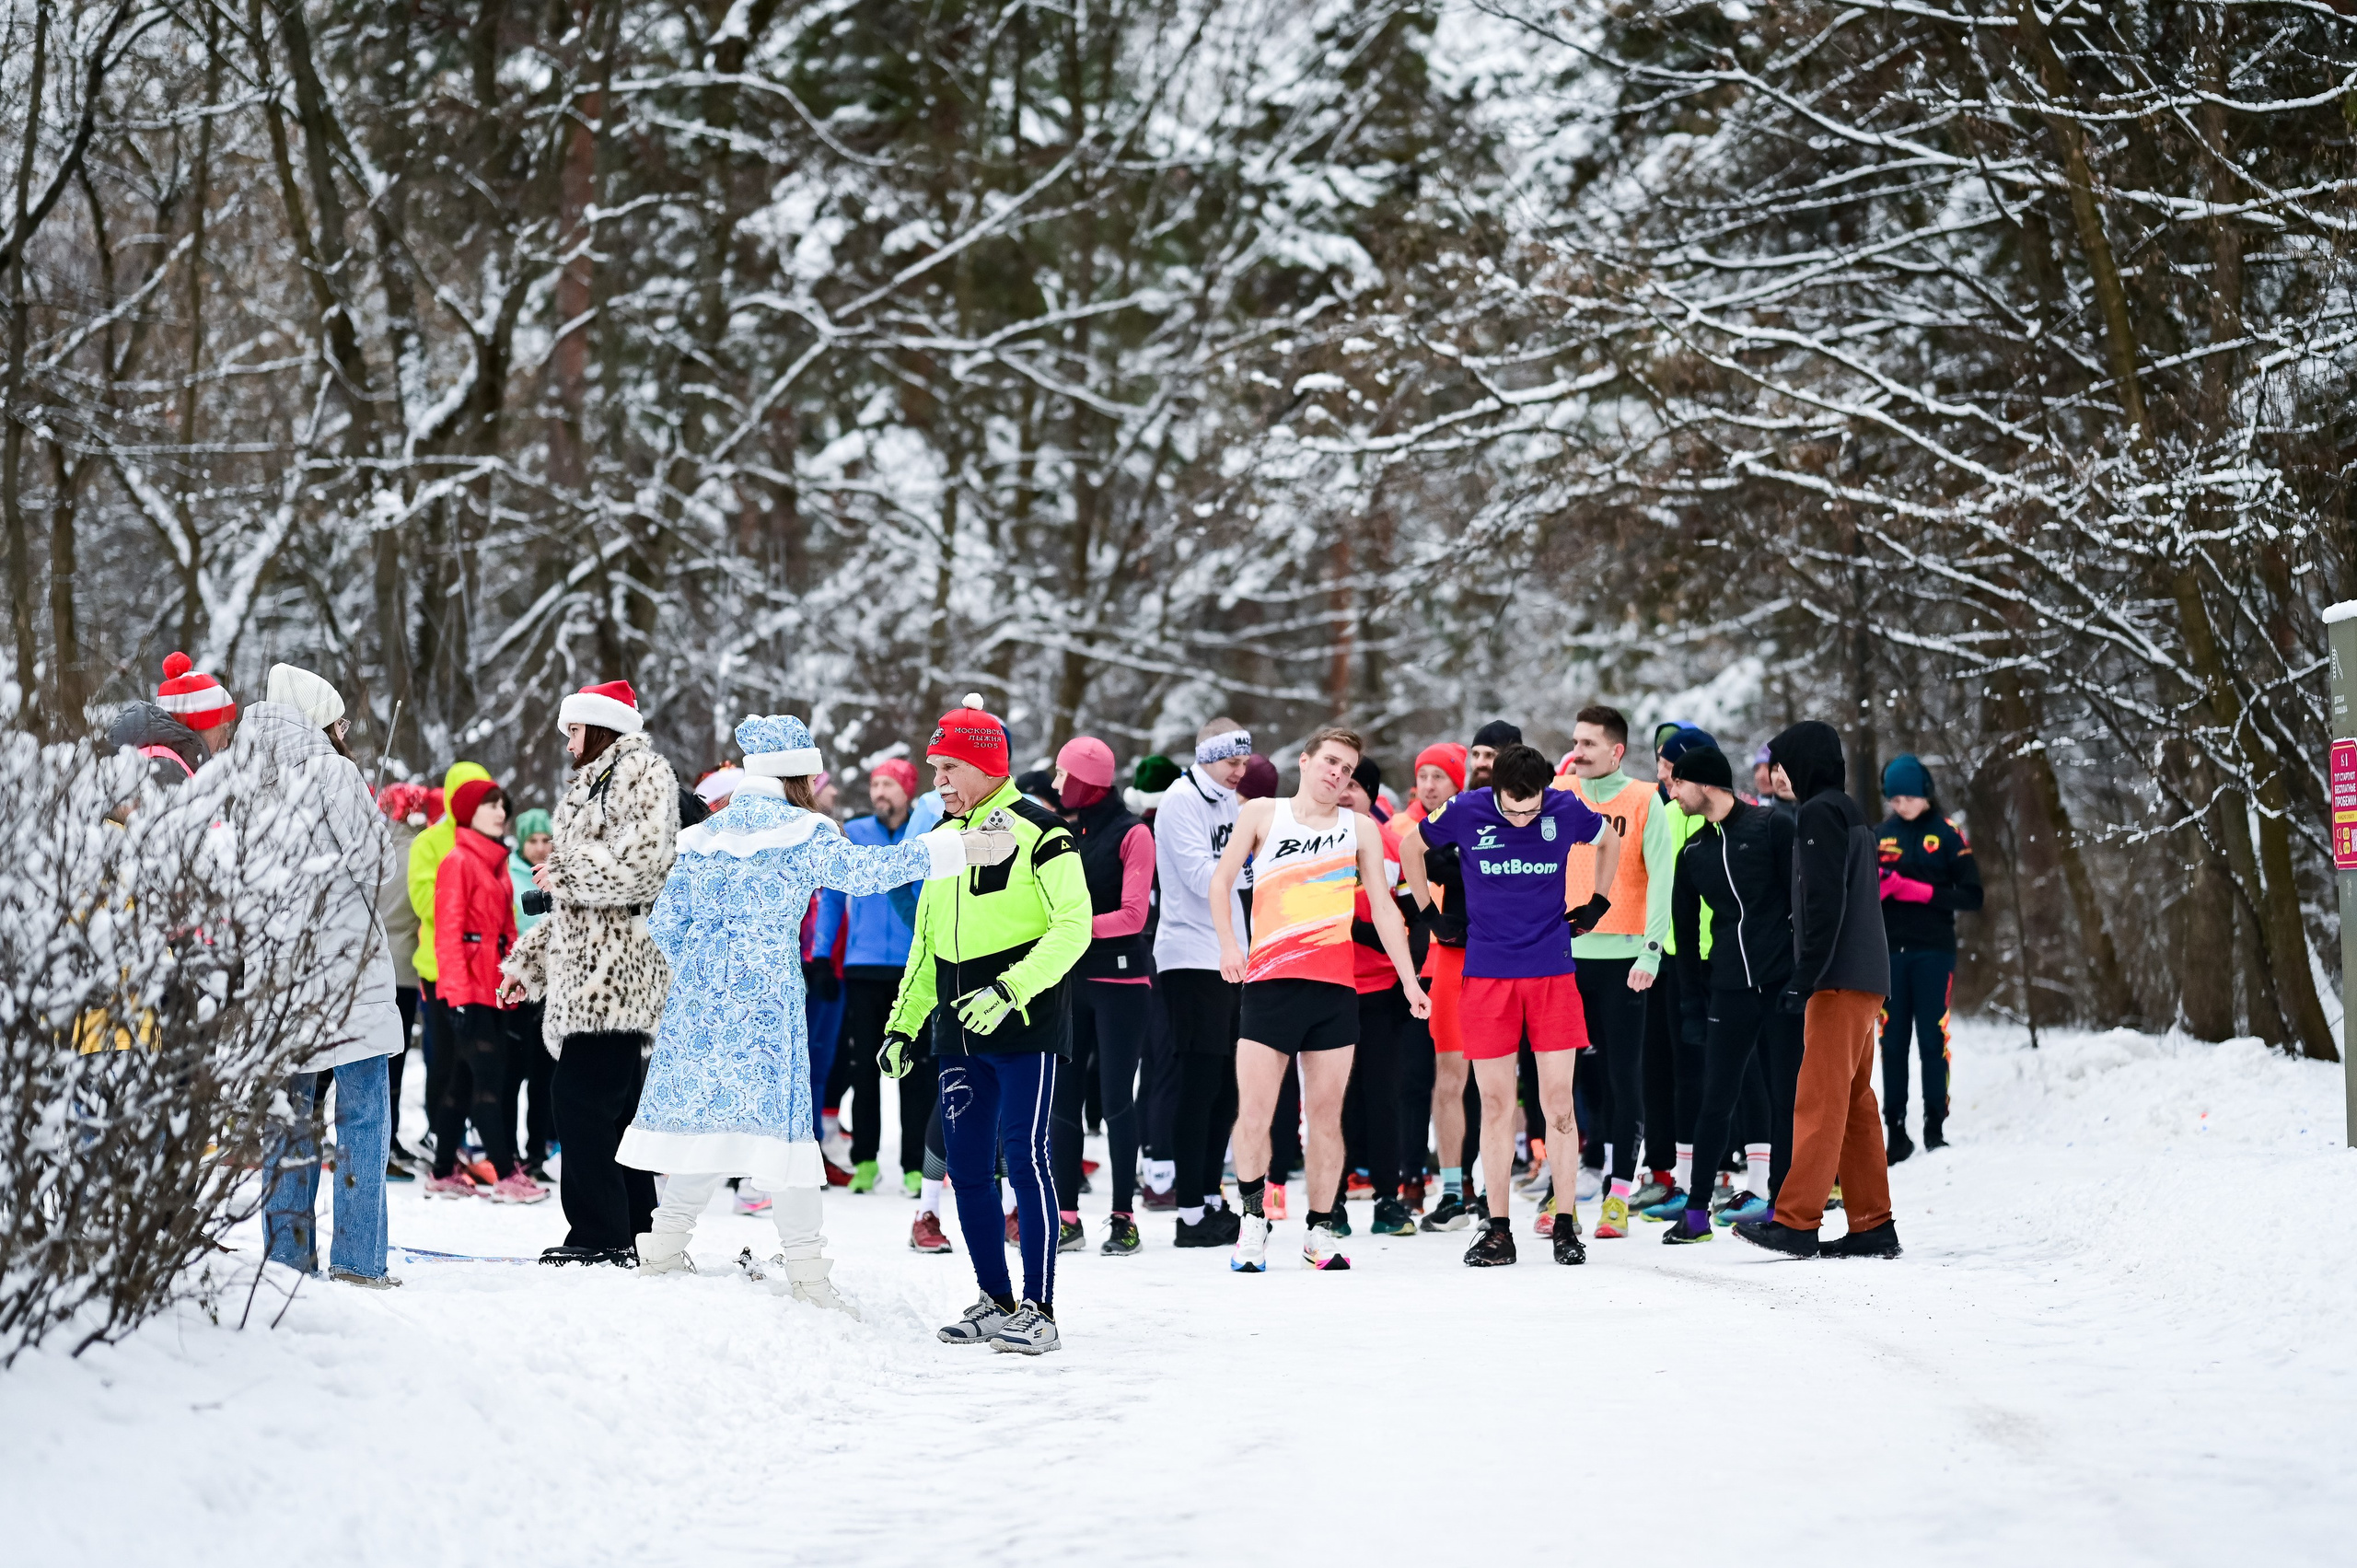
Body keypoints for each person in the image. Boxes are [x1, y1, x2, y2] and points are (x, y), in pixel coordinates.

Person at [622, 714, 1010, 1311]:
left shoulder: (706, 835)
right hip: (767, 1004)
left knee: (702, 1129)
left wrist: (708, 966)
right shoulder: (803, 831)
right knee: (784, 1139)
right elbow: (869, 874)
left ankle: (663, 1250)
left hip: (698, 1000)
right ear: (799, 773)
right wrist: (958, 846)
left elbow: (665, 923)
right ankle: (808, 1273)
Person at [883, 696, 1092, 1354]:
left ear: (983, 765)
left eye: (948, 767)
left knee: (1026, 1159)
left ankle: (1041, 1308)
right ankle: (995, 1299)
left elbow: (1073, 926)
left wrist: (1010, 988)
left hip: (1024, 1020)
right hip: (955, 1027)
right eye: (934, 768)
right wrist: (903, 1025)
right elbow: (924, 945)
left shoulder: (1043, 832)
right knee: (967, 1168)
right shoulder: (943, 841)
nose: (938, 780)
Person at [1210, 726, 1429, 1273]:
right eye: (1330, 762)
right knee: (1256, 1113)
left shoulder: (1360, 828)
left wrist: (1409, 980)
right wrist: (1230, 946)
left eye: (1348, 769)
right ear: (1305, 762)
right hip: (1269, 984)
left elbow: (1383, 907)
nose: (1338, 774)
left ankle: (1320, 1230)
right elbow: (1221, 882)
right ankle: (1254, 1221)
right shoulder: (1262, 813)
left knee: (1327, 1120)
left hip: (1335, 989)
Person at [1400, 744, 1620, 1266]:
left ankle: (1565, 1224)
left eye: (1532, 807)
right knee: (1495, 1106)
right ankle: (1498, 1229)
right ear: (1494, 789)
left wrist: (1598, 902)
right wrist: (1431, 914)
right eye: (1513, 808)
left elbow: (1607, 840)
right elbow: (1412, 848)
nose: (1524, 816)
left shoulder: (1563, 808)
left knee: (1559, 1103)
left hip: (1552, 973)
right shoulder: (1466, 809)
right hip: (1488, 975)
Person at [499, 679, 679, 1265]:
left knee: (580, 1102)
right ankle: (633, 1227)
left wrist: (568, 868)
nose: (568, 741)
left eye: (573, 729)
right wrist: (528, 965)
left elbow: (645, 866)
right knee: (610, 1108)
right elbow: (576, 902)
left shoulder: (644, 773)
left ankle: (601, 1232)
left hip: (619, 977)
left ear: (601, 726)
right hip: (590, 975)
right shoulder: (594, 783)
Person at [237, 671, 403, 1288]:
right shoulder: (333, 773)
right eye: (341, 723)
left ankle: (287, 1258)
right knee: (362, 1118)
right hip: (345, 973)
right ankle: (359, 1261)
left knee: (289, 1120)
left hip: (280, 981)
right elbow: (375, 864)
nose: (346, 734)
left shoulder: (245, 777)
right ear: (321, 719)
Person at [1736, 722, 1898, 1260]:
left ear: (1806, 762)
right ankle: (1873, 1223)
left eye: (1784, 763)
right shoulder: (1846, 809)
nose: (1778, 774)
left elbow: (1824, 902)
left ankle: (1796, 1221)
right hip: (1863, 975)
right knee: (1853, 1103)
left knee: (1818, 1101)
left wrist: (1805, 975)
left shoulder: (1819, 813)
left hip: (1838, 977)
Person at [1661, 745, 1794, 1243]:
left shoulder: (1771, 828)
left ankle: (1782, 1207)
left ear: (1706, 784)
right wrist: (1692, 1007)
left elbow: (1800, 908)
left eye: (1678, 783)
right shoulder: (1691, 854)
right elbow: (1687, 938)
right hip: (1729, 992)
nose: (1672, 792)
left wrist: (1801, 981)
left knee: (1786, 1098)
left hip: (1782, 988)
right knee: (1716, 1099)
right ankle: (1696, 1214)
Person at [1556, 705, 1675, 1240]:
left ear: (1616, 751)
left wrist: (1651, 952)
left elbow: (1662, 881)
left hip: (1626, 961)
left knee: (1624, 1076)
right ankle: (1566, 1193)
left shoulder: (1647, 799)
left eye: (1587, 744)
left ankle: (1619, 1194)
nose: (1576, 752)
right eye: (1575, 742)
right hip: (1565, 959)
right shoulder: (1559, 795)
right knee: (1570, 1080)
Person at [815, 756, 944, 1212]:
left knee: (918, 1070)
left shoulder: (928, 832)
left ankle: (915, 1163)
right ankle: (864, 1158)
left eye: (889, 784)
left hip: (915, 968)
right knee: (864, 1068)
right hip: (862, 967)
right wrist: (820, 956)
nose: (879, 793)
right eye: (875, 785)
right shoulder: (854, 832)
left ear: (909, 791)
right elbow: (831, 898)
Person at [1046, 735, 1157, 1256]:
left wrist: (1070, 928)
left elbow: (1135, 915)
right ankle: (1067, 1216)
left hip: (1122, 985)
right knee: (1063, 1099)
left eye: (1064, 776)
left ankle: (1123, 1216)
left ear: (1088, 783)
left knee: (1115, 1096)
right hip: (1071, 982)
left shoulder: (1133, 833)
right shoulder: (1063, 830)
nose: (1055, 784)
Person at [1153, 720, 1252, 1249]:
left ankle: (1211, 1196)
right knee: (1198, 1083)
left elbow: (1230, 871)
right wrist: (1259, 870)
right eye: (1231, 761)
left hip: (1231, 953)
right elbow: (1200, 877)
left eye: (1243, 761)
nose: (1240, 771)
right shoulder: (1180, 801)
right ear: (1206, 756)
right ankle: (1189, 1212)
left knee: (1226, 1088)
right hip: (1190, 956)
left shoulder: (1232, 804)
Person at [426, 778, 548, 1202]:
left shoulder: (495, 862)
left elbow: (509, 930)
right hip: (468, 991)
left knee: (461, 1082)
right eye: (490, 806)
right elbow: (448, 932)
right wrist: (457, 995)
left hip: (491, 987)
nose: (501, 813)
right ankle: (505, 1174)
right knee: (489, 1081)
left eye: (503, 806)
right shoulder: (459, 861)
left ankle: (442, 1171)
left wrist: (515, 977)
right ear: (467, 813)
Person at [1875, 753, 1981, 1161]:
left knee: (1932, 1038)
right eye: (1893, 797)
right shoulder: (1879, 833)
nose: (1900, 804)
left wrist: (1921, 892)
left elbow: (1973, 896)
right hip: (1889, 953)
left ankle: (1935, 1124)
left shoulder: (1949, 835)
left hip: (1934, 951)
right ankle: (1896, 1130)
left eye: (1908, 797)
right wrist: (1876, 889)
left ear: (1924, 794)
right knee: (1893, 1041)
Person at [1632, 724, 1717, 1219]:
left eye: (1672, 765)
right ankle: (1665, 1170)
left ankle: (1715, 1167)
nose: (1663, 773)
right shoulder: (1661, 814)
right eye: (1661, 764)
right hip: (1664, 956)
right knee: (1659, 1066)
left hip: (1714, 956)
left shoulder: (1719, 817)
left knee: (1711, 1067)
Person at [1340, 755, 1417, 1236]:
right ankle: (1331, 1205)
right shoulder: (1313, 844)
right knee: (1335, 1101)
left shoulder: (1390, 845)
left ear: (1371, 794)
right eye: (1339, 782)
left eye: (1356, 784)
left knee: (1384, 1097)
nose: (1345, 791)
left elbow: (1411, 913)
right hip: (1328, 987)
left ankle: (1389, 1199)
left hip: (1383, 987)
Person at [409, 756, 493, 1180]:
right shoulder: (429, 843)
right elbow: (426, 903)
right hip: (438, 969)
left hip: (484, 974)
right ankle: (440, 1142)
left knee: (478, 1064)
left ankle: (469, 1145)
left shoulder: (493, 842)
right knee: (443, 1062)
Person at [1399, 742, 1469, 1226]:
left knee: (1500, 1083)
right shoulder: (1411, 829)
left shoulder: (1480, 817)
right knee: (1443, 1078)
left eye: (1438, 776)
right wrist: (1430, 917)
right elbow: (1414, 862)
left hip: (1502, 960)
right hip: (1442, 961)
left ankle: (1484, 1187)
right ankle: (1450, 1191)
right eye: (1422, 775)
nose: (1428, 785)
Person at [375, 782, 433, 1176]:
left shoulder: (374, 849)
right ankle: (388, 1140)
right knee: (393, 1061)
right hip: (406, 966)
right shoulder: (418, 852)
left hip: (372, 962)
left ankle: (384, 1139)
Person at [506, 807, 557, 1179]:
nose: (540, 848)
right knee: (512, 1074)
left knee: (544, 1077)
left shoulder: (561, 878)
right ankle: (508, 1152)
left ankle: (537, 1152)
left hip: (554, 986)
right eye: (533, 840)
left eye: (546, 839)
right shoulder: (508, 874)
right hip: (519, 982)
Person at [153, 650, 238, 756]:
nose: (224, 743)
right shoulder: (169, 767)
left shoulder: (165, 761)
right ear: (196, 727)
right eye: (223, 729)